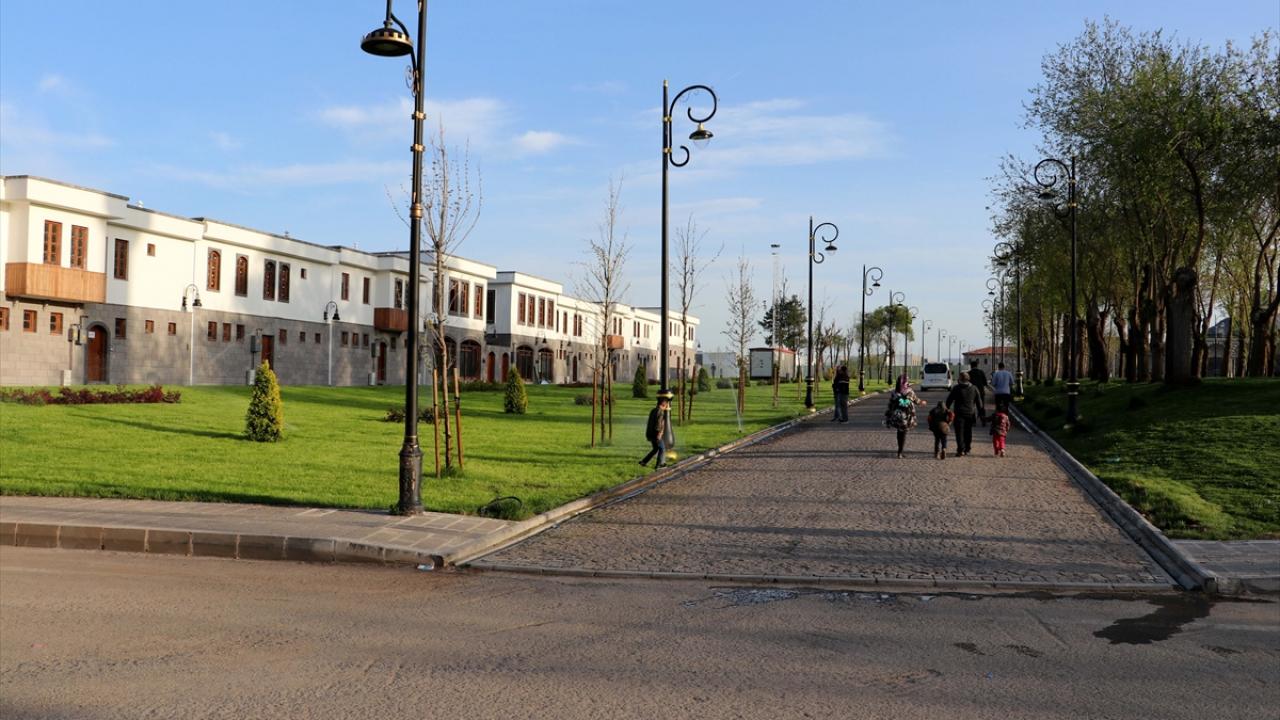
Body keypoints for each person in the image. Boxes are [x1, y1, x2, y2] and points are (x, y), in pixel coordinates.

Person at [884, 374, 925, 458]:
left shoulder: (894, 392)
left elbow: (890, 404)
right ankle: (900, 452)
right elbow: (917, 401)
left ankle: (900, 451)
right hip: (907, 416)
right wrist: (923, 402)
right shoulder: (909, 391)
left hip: (897, 416)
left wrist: (889, 414)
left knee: (899, 432)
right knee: (903, 433)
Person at [945, 371, 981, 456]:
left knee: (959, 432)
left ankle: (960, 449)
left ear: (960, 379)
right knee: (968, 431)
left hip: (959, 413)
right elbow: (979, 402)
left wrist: (946, 410)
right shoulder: (974, 388)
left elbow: (949, 400)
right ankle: (967, 448)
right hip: (970, 413)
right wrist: (981, 412)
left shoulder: (956, 388)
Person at [640, 397, 670, 468]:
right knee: (662, 448)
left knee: (655, 449)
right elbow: (658, 424)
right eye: (666, 405)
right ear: (663, 404)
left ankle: (643, 462)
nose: (667, 407)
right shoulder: (660, 412)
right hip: (656, 434)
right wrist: (659, 433)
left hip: (650, 433)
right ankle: (659, 465)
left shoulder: (653, 410)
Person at [968, 360, 989, 425]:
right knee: (981, 406)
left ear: (971, 366)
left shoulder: (969, 373)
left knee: (972, 406)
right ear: (977, 366)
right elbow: (985, 383)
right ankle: (983, 421)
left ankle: (973, 421)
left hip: (972, 392)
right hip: (981, 392)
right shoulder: (981, 372)